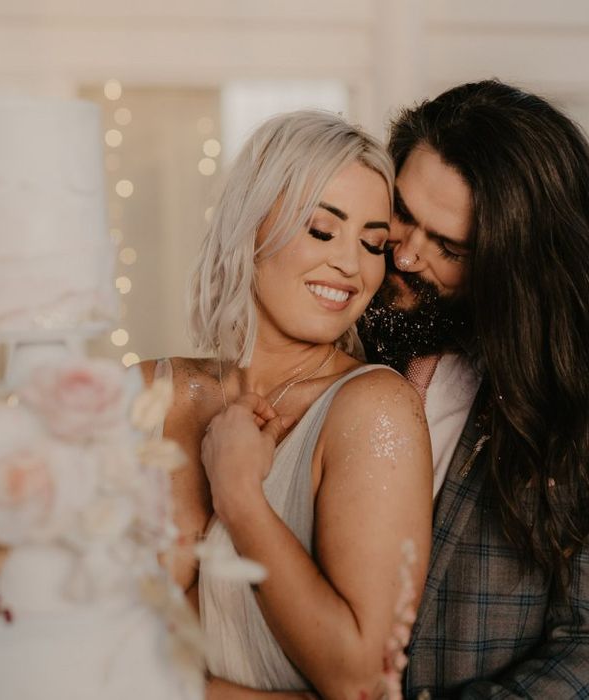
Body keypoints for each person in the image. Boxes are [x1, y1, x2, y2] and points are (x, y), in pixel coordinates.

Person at [357, 79, 589, 698]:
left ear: (515, 266)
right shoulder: (334, 333)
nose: (407, 257)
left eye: (447, 246)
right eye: (403, 216)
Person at [141, 110, 433, 698]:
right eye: (323, 230)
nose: (351, 265)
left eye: (373, 243)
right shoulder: (148, 393)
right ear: (250, 229)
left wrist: (240, 498)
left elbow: (360, 680)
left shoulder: (375, 409)